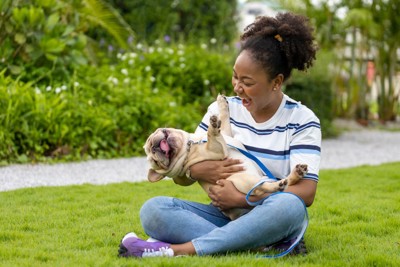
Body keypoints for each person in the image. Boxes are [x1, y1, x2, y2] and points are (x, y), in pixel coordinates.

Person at [118, 12, 321, 258]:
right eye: (235, 76)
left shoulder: (302, 120)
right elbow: (192, 160)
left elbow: (307, 192)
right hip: (225, 213)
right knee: (154, 210)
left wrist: (242, 198)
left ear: (276, 82)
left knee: (290, 206)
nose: (237, 86)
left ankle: (178, 250)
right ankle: (258, 242)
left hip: (270, 210)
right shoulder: (222, 109)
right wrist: (199, 170)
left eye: (247, 81)